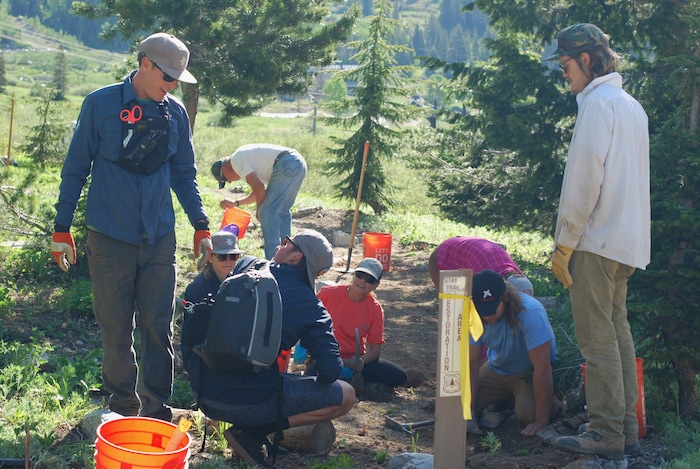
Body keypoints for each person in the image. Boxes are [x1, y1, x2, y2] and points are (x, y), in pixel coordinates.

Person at [51, 32, 211, 423]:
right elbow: (75, 170)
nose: (171, 86)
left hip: (159, 239)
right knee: (116, 329)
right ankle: (122, 408)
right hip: (109, 237)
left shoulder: (174, 114)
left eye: (177, 79)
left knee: (158, 328)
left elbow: (184, 175)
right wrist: (61, 227)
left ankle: (156, 412)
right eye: (168, 77)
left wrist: (201, 224)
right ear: (145, 64)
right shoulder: (100, 104)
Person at [545, 23, 650, 461]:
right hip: (626, 243)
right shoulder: (631, 106)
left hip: (594, 240)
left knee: (597, 340)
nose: (564, 75)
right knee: (618, 334)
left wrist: (564, 243)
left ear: (586, 60)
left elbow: (584, 181)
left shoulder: (596, 106)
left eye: (566, 65)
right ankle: (623, 430)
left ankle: (606, 431)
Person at [182, 229, 355, 467]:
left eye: (285, 242)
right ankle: (252, 432)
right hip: (249, 403)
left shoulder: (244, 266)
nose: (278, 245)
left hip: (204, 392)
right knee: (346, 394)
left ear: (296, 256)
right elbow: (330, 372)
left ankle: (250, 429)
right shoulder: (312, 306)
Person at [469, 270, 559, 437]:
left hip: (527, 373)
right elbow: (472, 364)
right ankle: (506, 403)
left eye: (492, 309)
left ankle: (552, 401)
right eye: (483, 310)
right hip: (496, 368)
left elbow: (542, 368)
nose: (487, 315)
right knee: (457, 406)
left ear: (506, 297)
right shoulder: (474, 314)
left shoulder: (530, 312)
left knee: (528, 415)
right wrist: (470, 414)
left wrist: (541, 421)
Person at [317, 258, 408, 400]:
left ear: (376, 285)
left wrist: (356, 362)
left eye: (370, 279)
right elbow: (307, 320)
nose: (363, 281)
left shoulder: (375, 309)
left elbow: (375, 350)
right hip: (325, 355)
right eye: (360, 274)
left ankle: (355, 382)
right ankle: (365, 386)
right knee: (320, 372)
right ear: (353, 275)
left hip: (355, 360)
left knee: (399, 376)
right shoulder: (327, 294)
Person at [211, 144, 307, 259]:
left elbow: (259, 188)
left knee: (266, 212)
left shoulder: (236, 160)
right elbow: (257, 192)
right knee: (282, 212)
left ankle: (274, 261)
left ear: (225, 169)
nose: (230, 182)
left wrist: (259, 211)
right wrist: (236, 203)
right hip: (297, 163)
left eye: (225, 179)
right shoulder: (244, 158)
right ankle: (288, 256)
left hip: (285, 164)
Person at [181, 225, 244, 367]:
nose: (228, 261)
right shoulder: (198, 289)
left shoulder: (237, 283)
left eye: (233, 256)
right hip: (205, 356)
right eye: (222, 256)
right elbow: (190, 335)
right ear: (210, 257)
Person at [428, 236, 533, 295]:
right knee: (453, 305)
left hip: (475, 251)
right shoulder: (485, 278)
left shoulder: (519, 278)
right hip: (444, 253)